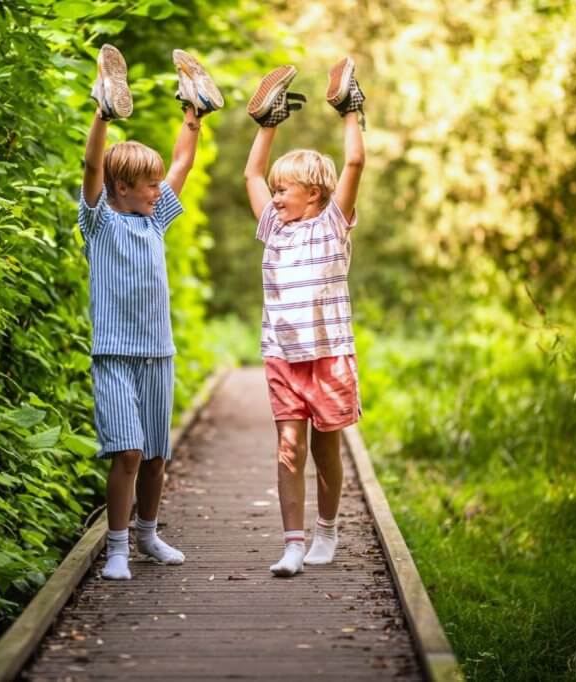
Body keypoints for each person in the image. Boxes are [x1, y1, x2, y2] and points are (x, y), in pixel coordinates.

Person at [79, 44, 222, 580]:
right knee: (130, 453)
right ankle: (116, 547)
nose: (161, 189)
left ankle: (147, 537)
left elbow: (182, 161)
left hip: (158, 354)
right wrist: (103, 114)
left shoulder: (154, 220)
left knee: (158, 458)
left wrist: (193, 116)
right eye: (150, 184)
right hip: (115, 355)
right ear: (122, 188)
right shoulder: (100, 223)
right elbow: (92, 163)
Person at [242, 58, 366, 577]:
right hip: (283, 356)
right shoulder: (274, 227)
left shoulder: (333, 223)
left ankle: (327, 531)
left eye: (283, 190)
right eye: (275, 191)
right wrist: (267, 127)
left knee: (326, 449)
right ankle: (292, 542)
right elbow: (250, 172)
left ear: (314, 193)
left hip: (329, 356)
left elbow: (355, 164)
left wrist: (348, 112)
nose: (274, 196)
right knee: (288, 446)